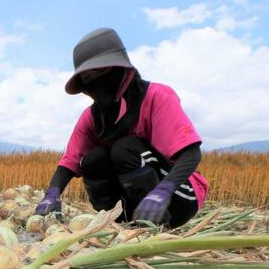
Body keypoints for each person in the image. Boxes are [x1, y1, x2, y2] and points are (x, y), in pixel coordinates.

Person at [35, 28, 208, 227]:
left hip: (177, 195)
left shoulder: (156, 96)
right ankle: (119, 223)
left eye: (101, 72)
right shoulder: (92, 117)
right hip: (134, 204)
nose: (97, 84)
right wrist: (52, 193)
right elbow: (69, 163)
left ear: (119, 69)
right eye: (89, 79)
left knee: (124, 149)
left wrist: (164, 191)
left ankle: (156, 226)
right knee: (93, 159)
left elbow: (191, 154)